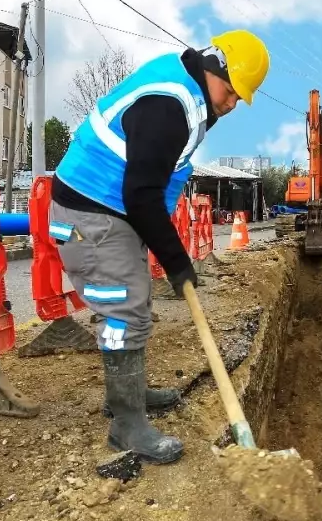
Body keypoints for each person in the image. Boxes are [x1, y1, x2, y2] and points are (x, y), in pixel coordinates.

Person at [49, 30, 270, 464]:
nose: (231, 104)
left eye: (239, 98)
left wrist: (169, 256)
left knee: (132, 301)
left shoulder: (186, 92)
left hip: (112, 210)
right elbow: (142, 194)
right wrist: (177, 262)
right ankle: (126, 424)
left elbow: (148, 188)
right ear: (214, 69)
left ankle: (127, 391)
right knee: (123, 307)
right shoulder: (169, 106)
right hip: (90, 214)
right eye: (230, 91)